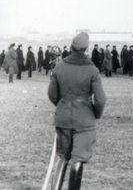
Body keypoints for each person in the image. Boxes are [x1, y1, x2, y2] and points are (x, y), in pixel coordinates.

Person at [47, 32, 106, 190]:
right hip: (84, 121)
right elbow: (100, 100)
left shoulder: (60, 67)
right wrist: (95, 113)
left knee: (62, 157)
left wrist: (63, 106)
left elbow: (52, 94)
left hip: (64, 118)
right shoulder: (92, 70)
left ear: (71, 48)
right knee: (78, 159)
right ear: (86, 49)